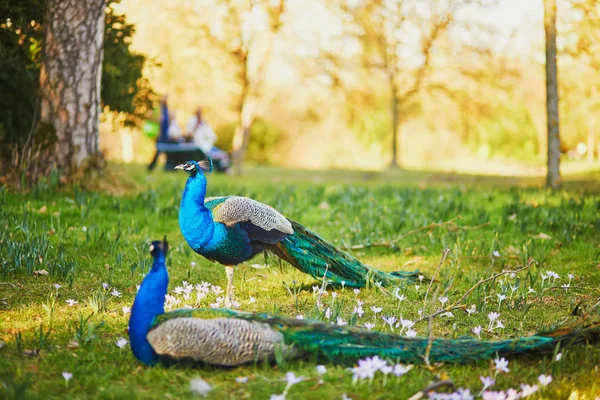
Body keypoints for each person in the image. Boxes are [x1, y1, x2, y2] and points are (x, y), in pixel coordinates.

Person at [186, 107, 230, 171]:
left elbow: (212, 136)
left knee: (224, 155)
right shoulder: (192, 121)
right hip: (200, 147)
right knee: (221, 155)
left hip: (208, 146)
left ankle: (224, 169)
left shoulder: (204, 123)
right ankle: (224, 169)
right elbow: (189, 136)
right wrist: (196, 125)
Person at [148, 96, 170, 171]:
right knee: (158, 150)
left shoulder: (166, 109)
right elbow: (149, 116)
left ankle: (167, 167)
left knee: (166, 150)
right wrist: (157, 119)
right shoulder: (158, 108)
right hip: (159, 134)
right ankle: (151, 167)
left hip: (165, 134)